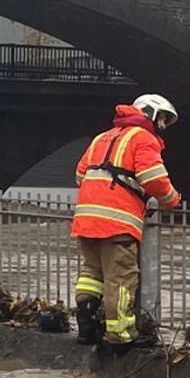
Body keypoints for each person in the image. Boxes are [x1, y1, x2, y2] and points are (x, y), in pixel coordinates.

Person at [71, 93, 182, 346]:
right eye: (162, 119)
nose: (163, 126)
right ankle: (120, 335)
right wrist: (172, 199)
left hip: (86, 218)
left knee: (92, 272)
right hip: (117, 221)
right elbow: (153, 178)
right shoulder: (143, 138)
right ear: (150, 113)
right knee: (121, 277)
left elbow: (80, 176)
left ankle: (86, 329)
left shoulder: (103, 137)